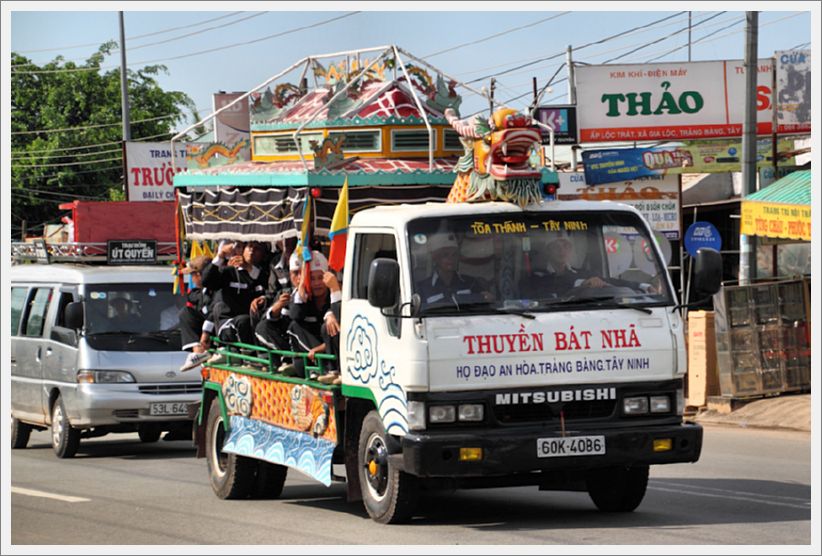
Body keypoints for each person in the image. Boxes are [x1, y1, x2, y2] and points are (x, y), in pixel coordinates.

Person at [202, 240, 267, 355]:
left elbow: (263, 283)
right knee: (244, 321)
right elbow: (207, 281)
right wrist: (220, 256)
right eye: (249, 247)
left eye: (257, 248)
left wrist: (248, 267)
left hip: (252, 325)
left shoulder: (263, 273)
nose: (252, 251)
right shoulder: (228, 272)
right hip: (228, 322)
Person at [285, 250, 341, 383]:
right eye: (312, 279)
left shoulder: (334, 295)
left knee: (327, 326)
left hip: (329, 351)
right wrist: (302, 285)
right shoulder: (305, 299)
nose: (316, 283)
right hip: (311, 354)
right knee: (294, 326)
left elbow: (338, 327)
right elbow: (295, 314)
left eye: (320, 278)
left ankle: (331, 369)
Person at [415, 231, 490, 310]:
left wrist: (488, 299)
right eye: (445, 255)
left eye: (454, 255)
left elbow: (483, 308)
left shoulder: (471, 283)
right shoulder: (423, 288)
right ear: (435, 258)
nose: (451, 259)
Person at [178, 255, 216, 372]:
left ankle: (200, 352)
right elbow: (194, 297)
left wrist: (206, 332)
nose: (192, 279)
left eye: (192, 275)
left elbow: (214, 311)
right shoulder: (199, 293)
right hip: (207, 333)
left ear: (199, 275)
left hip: (217, 329)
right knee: (186, 312)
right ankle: (198, 352)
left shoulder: (215, 290)